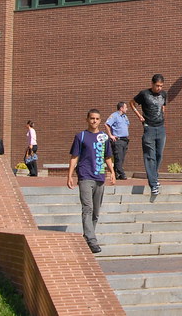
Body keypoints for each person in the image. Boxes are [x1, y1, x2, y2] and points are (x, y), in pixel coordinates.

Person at [67, 108, 116, 253]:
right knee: (87, 209)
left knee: (95, 212)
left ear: (100, 121)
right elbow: (74, 157)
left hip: (99, 177)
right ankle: (93, 241)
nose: (94, 121)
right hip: (85, 177)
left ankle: (88, 237)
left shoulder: (104, 137)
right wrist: (69, 175)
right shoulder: (81, 136)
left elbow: (108, 157)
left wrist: (112, 172)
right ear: (87, 119)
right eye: (92, 118)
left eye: (97, 119)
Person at [131, 73, 167, 197]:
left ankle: (155, 178)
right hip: (149, 128)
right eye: (157, 86)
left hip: (161, 128)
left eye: (161, 86)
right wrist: (139, 116)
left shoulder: (163, 94)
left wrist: (162, 114)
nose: (159, 88)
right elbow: (132, 103)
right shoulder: (144, 94)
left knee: (159, 155)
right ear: (152, 84)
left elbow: (163, 106)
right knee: (149, 156)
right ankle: (153, 184)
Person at [104, 102, 131, 180]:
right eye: (125, 107)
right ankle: (122, 174)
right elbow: (106, 124)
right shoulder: (115, 116)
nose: (127, 109)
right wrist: (110, 135)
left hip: (124, 140)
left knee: (121, 158)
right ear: (121, 108)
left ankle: (117, 174)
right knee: (118, 157)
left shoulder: (125, 117)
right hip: (118, 140)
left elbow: (127, 125)